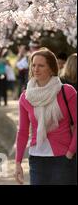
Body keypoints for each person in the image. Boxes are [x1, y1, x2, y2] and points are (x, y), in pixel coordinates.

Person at [15, 48, 77, 185]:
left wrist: (70, 153)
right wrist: (18, 162)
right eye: (34, 65)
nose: (36, 69)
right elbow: (23, 131)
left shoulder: (67, 91)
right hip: (37, 159)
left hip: (63, 157)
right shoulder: (26, 96)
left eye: (41, 65)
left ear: (51, 68)